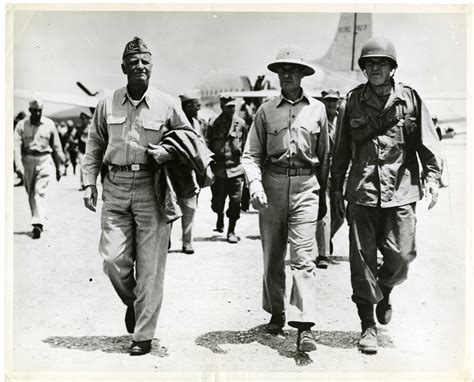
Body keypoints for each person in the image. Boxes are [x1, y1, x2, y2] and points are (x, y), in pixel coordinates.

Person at [82, 37, 198, 356]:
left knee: (151, 267)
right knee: (112, 259)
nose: (140, 67)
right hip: (116, 185)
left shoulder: (167, 103)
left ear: (152, 66)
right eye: (134, 63)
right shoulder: (108, 102)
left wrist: (168, 150)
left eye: (145, 62)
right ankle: (135, 303)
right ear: (123, 68)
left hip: (152, 186)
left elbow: (189, 139)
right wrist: (89, 181)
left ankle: (143, 335)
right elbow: (95, 144)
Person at [331, 37, 442, 354]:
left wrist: (432, 178)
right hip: (362, 192)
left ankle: (386, 289)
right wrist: (336, 191)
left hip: (401, 191)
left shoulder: (410, 100)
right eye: (368, 63)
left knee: (402, 257)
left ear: (392, 66)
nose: (374, 68)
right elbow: (340, 153)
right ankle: (368, 326)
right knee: (362, 261)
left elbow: (428, 144)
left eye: (380, 62)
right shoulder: (351, 102)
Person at [242, 46, 330, 352]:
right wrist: (255, 185)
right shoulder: (265, 111)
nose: (287, 75)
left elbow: (325, 156)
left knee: (304, 258)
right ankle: (277, 313)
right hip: (273, 184)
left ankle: (304, 326)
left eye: (293, 70)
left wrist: (323, 194)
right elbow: (251, 154)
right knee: (273, 256)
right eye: (282, 70)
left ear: (304, 74)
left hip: (307, 185)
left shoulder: (318, 110)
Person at [14, 99, 65, 239]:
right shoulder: (21, 125)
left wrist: (59, 166)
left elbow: (56, 147)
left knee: (39, 191)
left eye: (40, 111)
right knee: (30, 191)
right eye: (34, 110)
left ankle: (38, 223)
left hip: (45, 160)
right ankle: (37, 220)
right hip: (28, 160)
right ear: (29, 110)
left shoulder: (49, 124)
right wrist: (18, 166)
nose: (37, 113)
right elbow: (16, 148)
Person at [206, 95, 248, 243]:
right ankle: (219, 216)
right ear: (221, 107)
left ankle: (231, 231)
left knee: (235, 202)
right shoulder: (213, 124)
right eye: (228, 107)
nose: (231, 109)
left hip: (236, 169)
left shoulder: (241, 124)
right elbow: (208, 146)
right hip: (218, 170)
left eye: (233, 106)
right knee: (217, 202)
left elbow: (246, 146)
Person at [174, 90, 206, 254]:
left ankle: (187, 242)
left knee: (190, 208)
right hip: (175, 171)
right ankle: (165, 241)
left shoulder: (198, 123)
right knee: (170, 207)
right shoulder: (174, 122)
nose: (199, 108)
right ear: (187, 106)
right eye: (196, 105)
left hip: (191, 173)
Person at [315, 89, 343, 269]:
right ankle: (323, 254)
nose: (331, 105)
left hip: (341, 172)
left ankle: (326, 238)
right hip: (322, 171)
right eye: (328, 101)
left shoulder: (344, 120)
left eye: (334, 101)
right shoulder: (317, 120)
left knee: (340, 215)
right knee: (324, 212)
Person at [76, 112, 91, 190]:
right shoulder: (79, 128)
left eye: (84, 119)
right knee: (82, 168)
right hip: (81, 150)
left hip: (89, 151)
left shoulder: (91, 128)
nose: (83, 120)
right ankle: (83, 184)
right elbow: (75, 137)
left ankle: (88, 183)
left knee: (89, 168)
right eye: (82, 119)